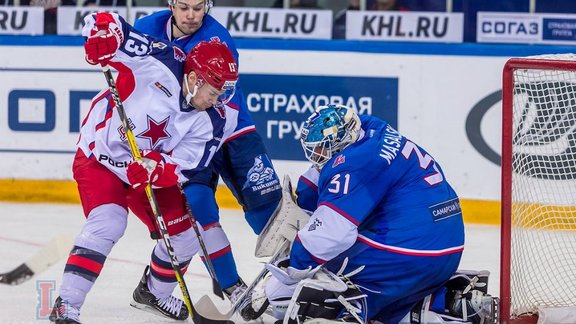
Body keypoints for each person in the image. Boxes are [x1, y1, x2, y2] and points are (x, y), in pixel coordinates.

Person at [49, 11, 239, 323]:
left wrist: (155, 168)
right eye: (214, 91)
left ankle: (154, 293)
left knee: (188, 235)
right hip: (101, 157)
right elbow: (108, 23)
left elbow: (183, 166)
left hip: (144, 171)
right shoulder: (159, 59)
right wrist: (101, 35)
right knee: (109, 221)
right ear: (193, 78)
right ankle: (65, 304)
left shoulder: (215, 119)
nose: (217, 100)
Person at [133, 0, 283, 317]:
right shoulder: (146, 28)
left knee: (268, 207)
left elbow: (211, 99)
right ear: (171, 5)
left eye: (198, 8)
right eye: (184, 7)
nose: (191, 15)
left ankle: (290, 283)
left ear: (207, 6)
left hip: (230, 127)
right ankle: (228, 282)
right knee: (197, 207)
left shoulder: (216, 39)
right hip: (186, 133)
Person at [257, 104, 465, 323]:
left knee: (321, 267)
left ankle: (350, 309)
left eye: (322, 148)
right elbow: (320, 174)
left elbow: (330, 235)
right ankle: (437, 306)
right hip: (445, 251)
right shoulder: (369, 128)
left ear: (341, 142)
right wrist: (306, 201)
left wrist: (293, 268)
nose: (317, 154)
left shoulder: (357, 165)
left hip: (409, 254)